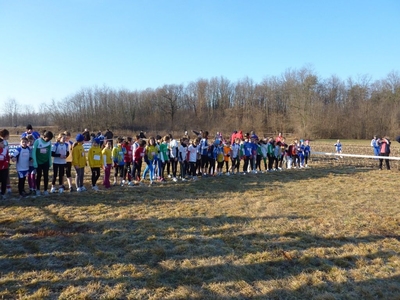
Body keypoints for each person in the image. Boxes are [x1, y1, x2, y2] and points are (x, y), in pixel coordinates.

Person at [32, 131, 54, 196]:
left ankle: (45, 190)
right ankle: (38, 189)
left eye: (50, 139)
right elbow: (33, 152)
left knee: (46, 176)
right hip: (38, 162)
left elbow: (49, 152)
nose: (49, 140)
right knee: (38, 176)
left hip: (46, 161)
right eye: (48, 138)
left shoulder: (49, 142)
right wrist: (35, 161)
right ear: (44, 137)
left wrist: (50, 161)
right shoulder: (37, 141)